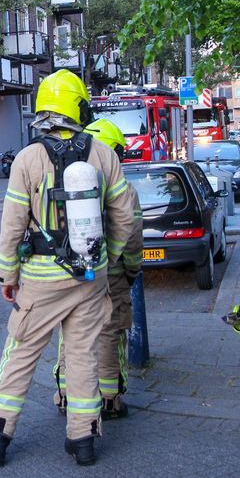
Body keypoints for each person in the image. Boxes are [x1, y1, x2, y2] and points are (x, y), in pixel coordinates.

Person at [0, 70, 137, 468]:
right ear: (78, 107)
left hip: (42, 280)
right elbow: (125, 217)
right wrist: (106, 258)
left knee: (21, 354)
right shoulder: (103, 154)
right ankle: (83, 439)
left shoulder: (28, 158)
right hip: (90, 280)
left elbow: (12, 226)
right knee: (82, 356)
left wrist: (6, 277)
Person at [53, 117, 143, 420]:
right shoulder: (125, 189)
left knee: (71, 335)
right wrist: (130, 271)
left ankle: (66, 395)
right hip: (112, 274)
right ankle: (109, 400)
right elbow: (131, 238)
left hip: (73, 270)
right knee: (109, 333)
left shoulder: (65, 180)